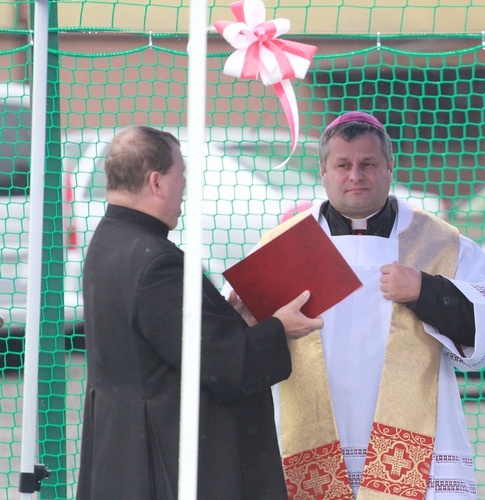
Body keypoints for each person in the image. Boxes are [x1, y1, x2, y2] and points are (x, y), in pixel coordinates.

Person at [225, 111, 485, 499]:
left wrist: (426, 290)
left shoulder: (438, 242)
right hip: (307, 436)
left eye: (368, 164)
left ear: (389, 168)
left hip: (414, 444)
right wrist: (243, 320)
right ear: (324, 172)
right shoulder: (284, 246)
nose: (355, 176)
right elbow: (241, 346)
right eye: (343, 165)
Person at [76, 125, 323, 500]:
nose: (184, 187)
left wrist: (229, 319)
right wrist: (278, 327)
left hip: (123, 445)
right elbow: (223, 365)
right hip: (163, 454)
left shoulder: (107, 241)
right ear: (157, 182)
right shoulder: (156, 262)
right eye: (182, 175)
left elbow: (165, 338)